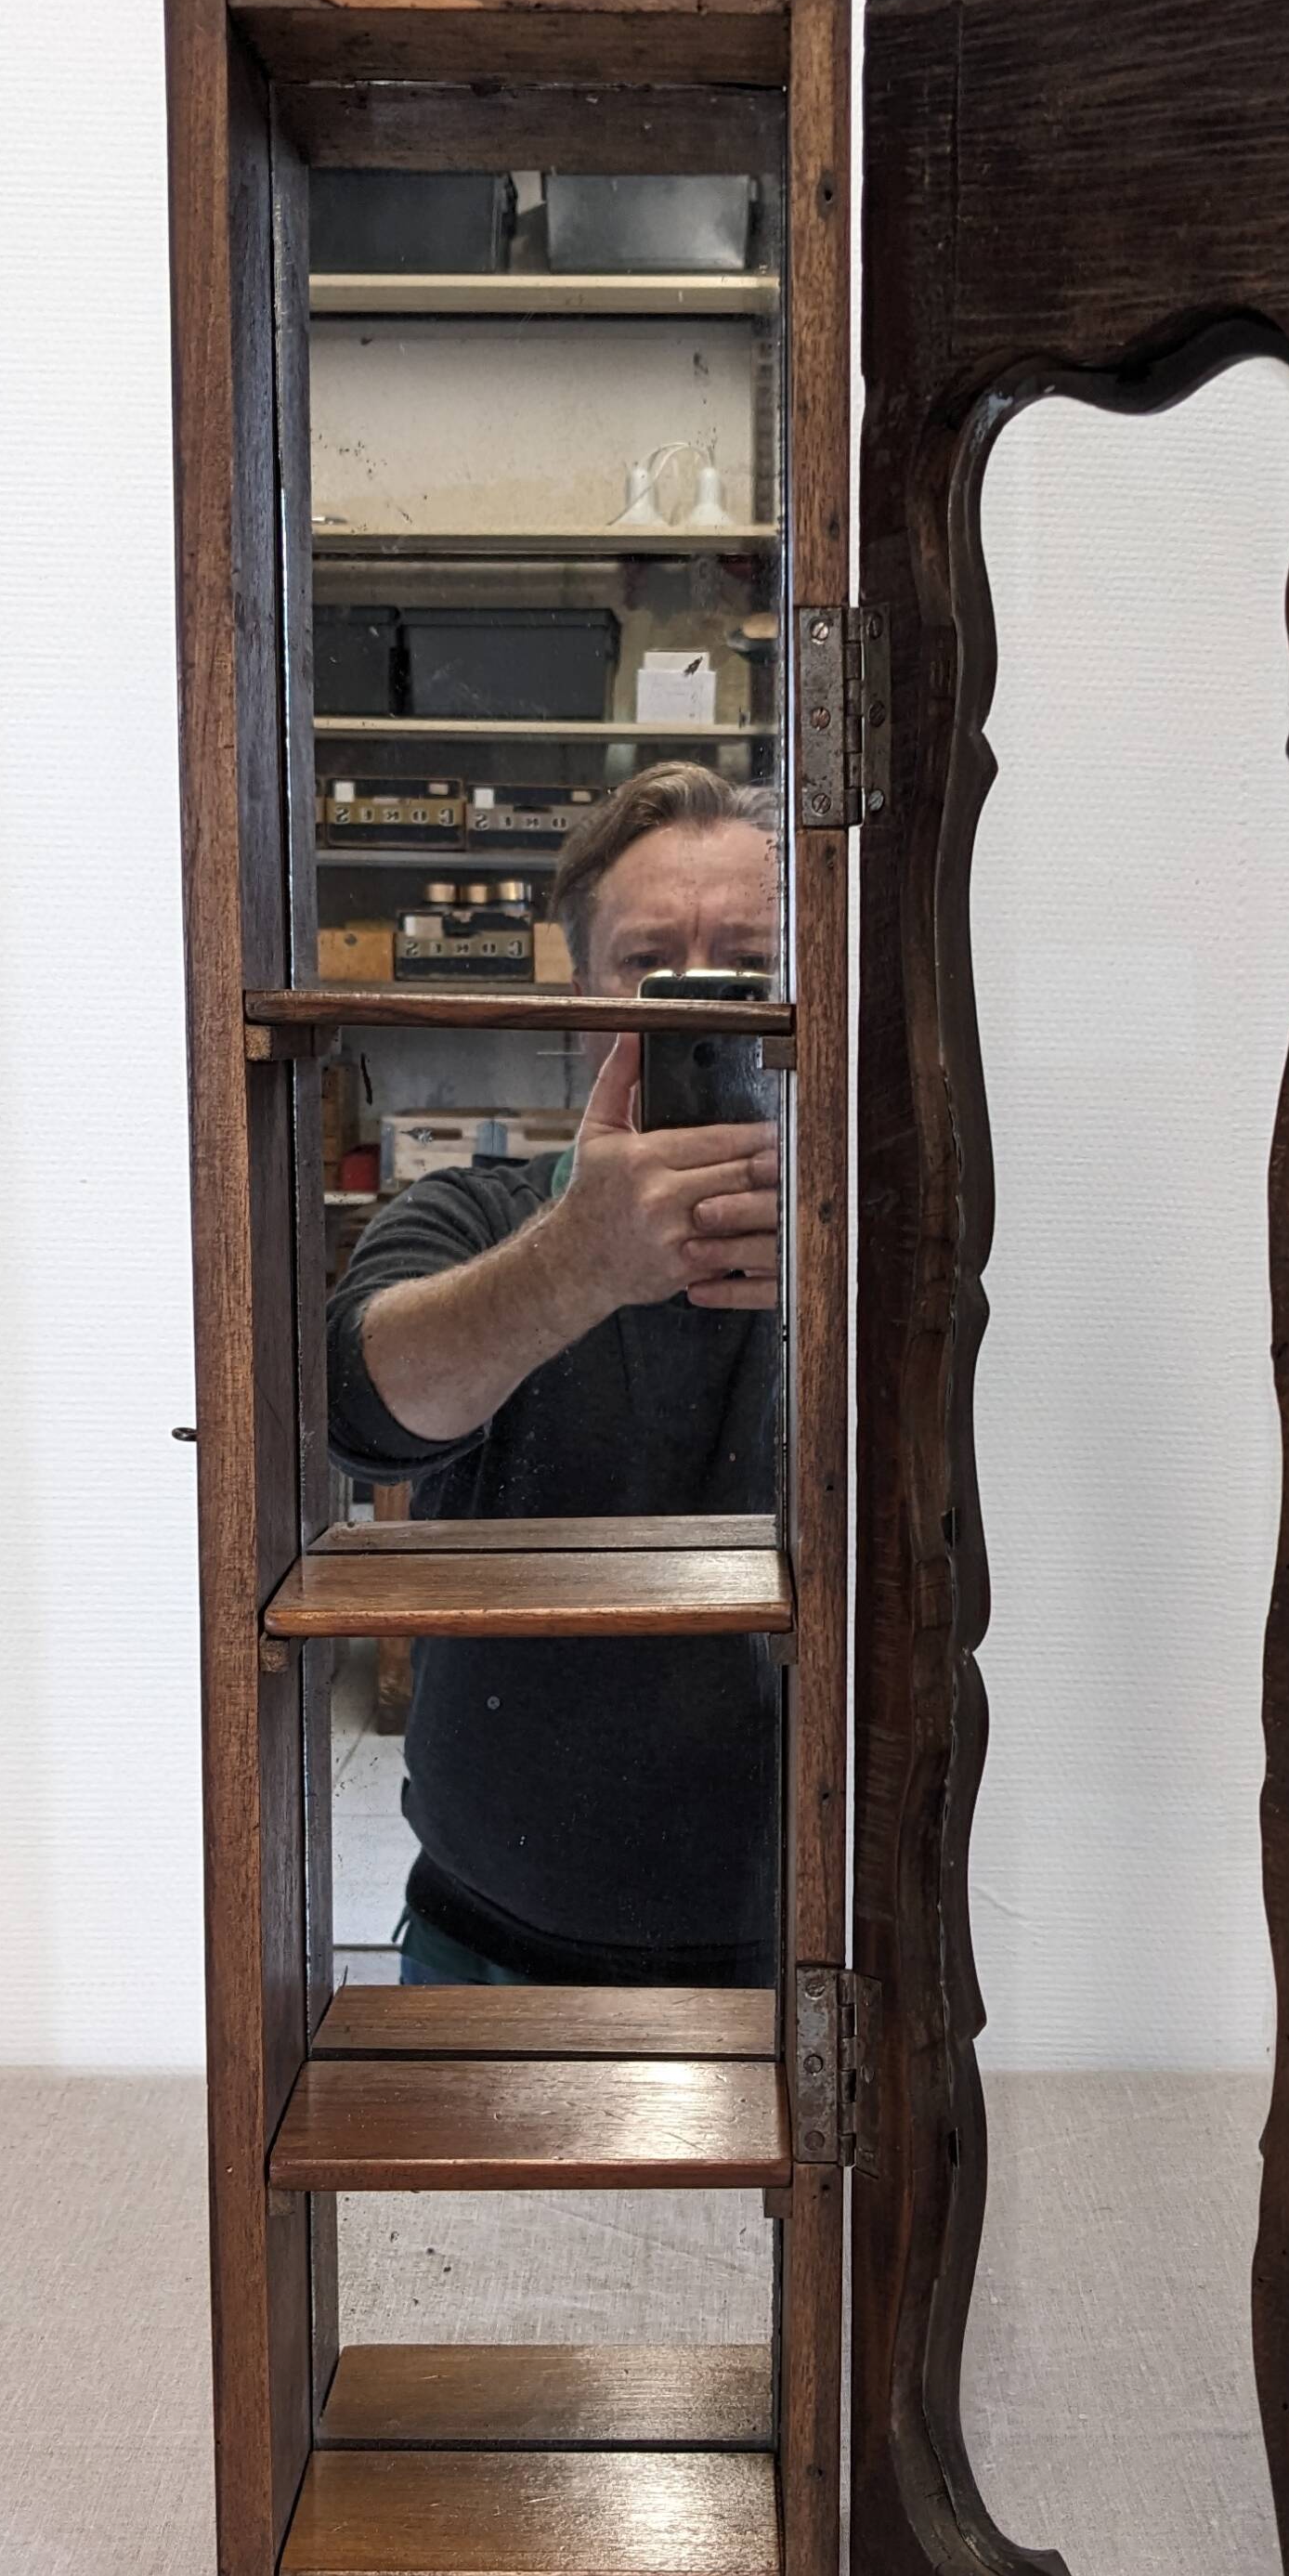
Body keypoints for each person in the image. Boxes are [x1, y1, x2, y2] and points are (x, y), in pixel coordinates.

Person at [327, 761, 783, 1987]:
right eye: (649, 965)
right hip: (486, 1950)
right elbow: (361, 1411)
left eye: (749, 961)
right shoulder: (473, 1219)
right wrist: (577, 1265)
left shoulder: (895, 1245)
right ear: (581, 997)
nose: (702, 1003)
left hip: (816, 1953)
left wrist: (848, 1257)